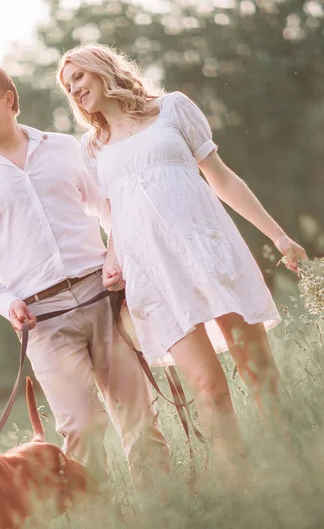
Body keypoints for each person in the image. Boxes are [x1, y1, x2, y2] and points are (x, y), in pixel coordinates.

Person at [57, 44, 308, 471]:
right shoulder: (92, 148)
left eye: (77, 77)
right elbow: (118, 214)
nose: (74, 89)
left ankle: (297, 469)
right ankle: (243, 492)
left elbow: (222, 178)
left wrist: (279, 237)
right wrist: (111, 260)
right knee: (208, 389)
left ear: (102, 70)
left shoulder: (172, 109)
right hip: (153, 274)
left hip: (209, 250)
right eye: (67, 86)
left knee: (259, 371)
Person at [0, 63, 171, 489]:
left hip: (102, 297)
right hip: (41, 319)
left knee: (140, 421)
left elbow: (111, 208)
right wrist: (4, 301)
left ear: (8, 99)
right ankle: (99, 519)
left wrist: (116, 259)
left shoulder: (65, 147)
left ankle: (169, 511)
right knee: (81, 431)